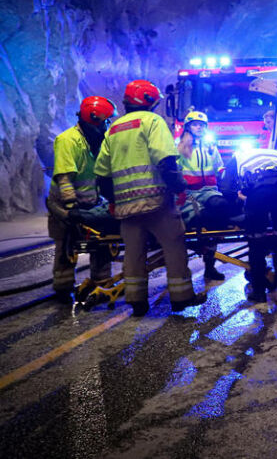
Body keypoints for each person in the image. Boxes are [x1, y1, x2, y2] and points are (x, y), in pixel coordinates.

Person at [94, 79, 206, 316]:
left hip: (126, 208)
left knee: (133, 255)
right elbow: (166, 161)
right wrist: (179, 187)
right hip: (157, 204)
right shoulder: (153, 122)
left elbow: (102, 175)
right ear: (150, 102)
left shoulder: (113, 129)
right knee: (174, 246)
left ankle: (136, 302)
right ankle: (181, 297)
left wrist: (114, 201)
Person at [46, 96, 117, 303]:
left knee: (101, 244)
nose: (108, 124)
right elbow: (64, 178)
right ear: (94, 119)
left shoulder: (101, 141)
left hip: (92, 203)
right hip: (65, 205)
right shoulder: (68, 141)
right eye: (106, 121)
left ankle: (102, 284)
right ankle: (63, 288)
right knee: (66, 247)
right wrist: (71, 208)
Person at [231, 148, 277, 304]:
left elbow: (229, 187)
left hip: (258, 196)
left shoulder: (238, 156)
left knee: (256, 245)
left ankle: (259, 293)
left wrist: (240, 200)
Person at [176, 110, 231, 281]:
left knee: (221, 207)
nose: (198, 127)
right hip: (189, 193)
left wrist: (227, 175)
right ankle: (200, 247)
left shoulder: (210, 145)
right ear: (188, 127)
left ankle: (210, 266)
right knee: (200, 218)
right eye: (195, 124)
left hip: (209, 190)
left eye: (201, 125)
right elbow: (173, 170)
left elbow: (218, 166)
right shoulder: (178, 145)